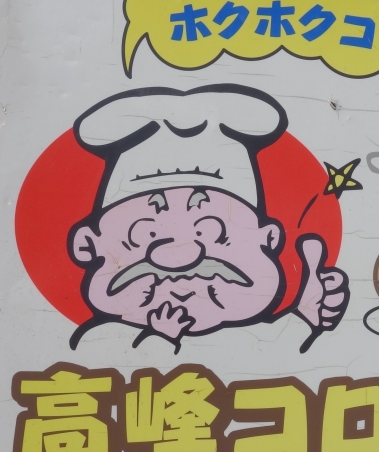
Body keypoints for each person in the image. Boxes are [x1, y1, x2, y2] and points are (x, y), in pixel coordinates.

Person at [67, 84, 348, 351]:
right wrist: (159, 338)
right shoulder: (105, 336)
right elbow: (101, 360)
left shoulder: (249, 335)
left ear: (268, 238)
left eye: (211, 231)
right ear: (87, 244)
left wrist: (304, 313)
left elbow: (276, 350)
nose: (179, 256)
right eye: (145, 234)